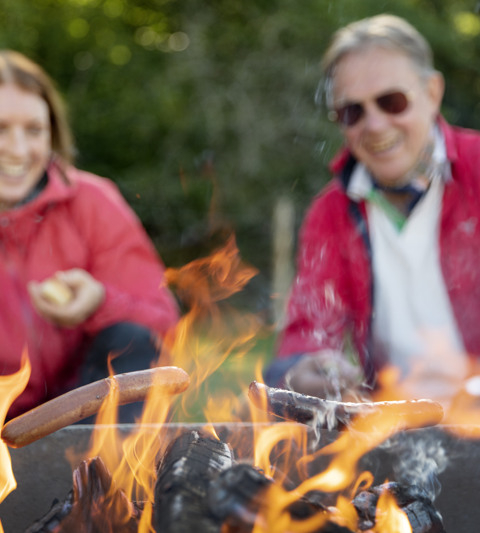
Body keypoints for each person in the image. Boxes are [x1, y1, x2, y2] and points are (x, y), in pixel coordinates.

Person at [265, 14, 480, 409]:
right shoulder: (331, 212)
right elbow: (307, 329)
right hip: (393, 431)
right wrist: (310, 365)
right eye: (352, 112)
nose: (376, 124)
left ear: (432, 93)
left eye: (391, 101)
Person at [0, 50, 180, 421]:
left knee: (133, 339)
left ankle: (110, 479)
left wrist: (99, 302)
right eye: (0, 129)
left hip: (80, 417)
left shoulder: (92, 201)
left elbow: (163, 323)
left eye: (33, 130)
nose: (17, 150)